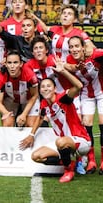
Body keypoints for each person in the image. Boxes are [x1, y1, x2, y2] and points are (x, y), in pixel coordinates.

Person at [19, 56, 91, 183]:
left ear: (54, 89)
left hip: (81, 141)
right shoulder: (44, 105)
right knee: (36, 156)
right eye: (43, 87)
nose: (45, 88)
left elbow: (79, 85)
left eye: (48, 86)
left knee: (61, 142)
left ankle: (68, 171)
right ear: (40, 91)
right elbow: (40, 118)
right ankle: (71, 161)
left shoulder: (63, 98)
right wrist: (31, 134)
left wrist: (63, 71)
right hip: (63, 143)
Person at [65, 36, 103, 174]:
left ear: (83, 47)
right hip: (86, 95)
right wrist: (73, 67)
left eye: (77, 46)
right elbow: (67, 66)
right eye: (71, 47)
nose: (74, 49)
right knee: (87, 125)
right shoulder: (69, 60)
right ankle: (91, 161)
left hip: (101, 92)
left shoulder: (95, 54)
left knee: (102, 124)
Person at [0, 50, 39, 127]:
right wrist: (6, 113)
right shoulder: (0, 78)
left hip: (28, 99)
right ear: (5, 64)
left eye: (15, 62)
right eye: (9, 63)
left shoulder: (29, 75)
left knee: (31, 125)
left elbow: (34, 95)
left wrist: (24, 114)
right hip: (11, 99)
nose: (12, 66)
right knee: (7, 123)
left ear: (21, 64)